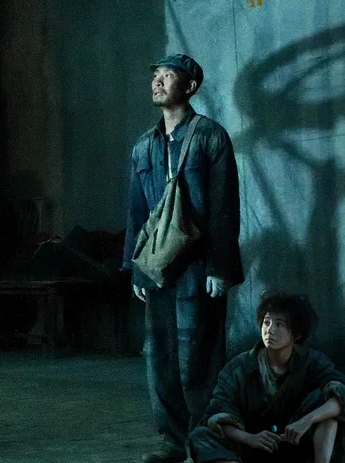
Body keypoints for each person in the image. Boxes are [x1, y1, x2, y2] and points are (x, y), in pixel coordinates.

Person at [121, 54, 244, 462]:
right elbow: (137, 213)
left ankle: (206, 440)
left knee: (201, 356)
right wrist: (136, 269)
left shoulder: (210, 136)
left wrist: (220, 267)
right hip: (159, 267)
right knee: (160, 357)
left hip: (199, 266)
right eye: (155, 76)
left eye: (168, 76)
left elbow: (225, 207)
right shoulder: (144, 145)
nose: (157, 82)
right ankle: (173, 441)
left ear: (190, 87)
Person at [187, 291, 345, 463]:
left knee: (327, 402)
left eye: (279, 324)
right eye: (267, 322)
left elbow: (341, 393)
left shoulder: (312, 361)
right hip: (252, 447)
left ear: (297, 334)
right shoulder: (238, 367)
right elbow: (218, 411)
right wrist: (250, 438)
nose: (270, 330)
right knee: (200, 436)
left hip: (296, 445)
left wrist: (307, 420)